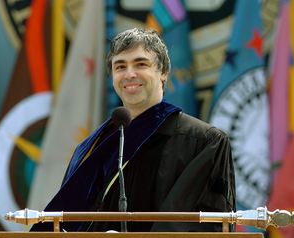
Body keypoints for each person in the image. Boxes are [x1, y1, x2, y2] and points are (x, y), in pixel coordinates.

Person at [31, 28, 236, 232]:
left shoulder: (204, 142)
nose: (129, 74)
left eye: (140, 64)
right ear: (112, 77)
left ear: (163, 72)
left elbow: (210, 227)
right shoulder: (90, 149)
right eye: (120, 67)